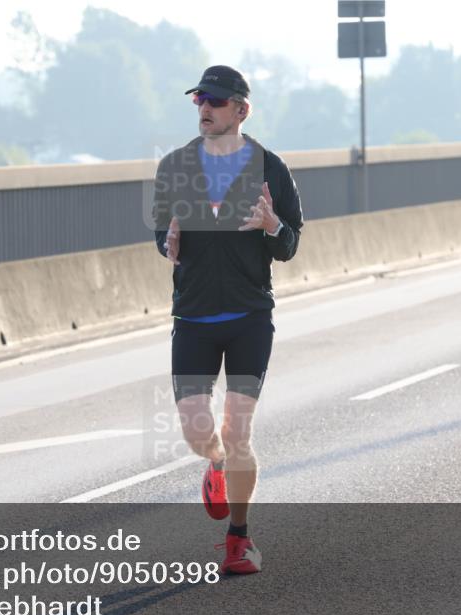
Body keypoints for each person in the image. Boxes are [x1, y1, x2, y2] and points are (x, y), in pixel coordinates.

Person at [152, 65, 303, 574]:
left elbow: (291, 243)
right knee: (199, 432)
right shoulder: (175, 166)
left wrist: (271, 224)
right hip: (193, 317)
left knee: (239, 431)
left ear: (241, 109)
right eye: (198, 101)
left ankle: (240, 538)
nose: (204, 110)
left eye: (215, 102)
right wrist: (168, 239)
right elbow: (162, 231)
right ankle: (214, 463)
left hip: (249, 318)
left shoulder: (270, 169)